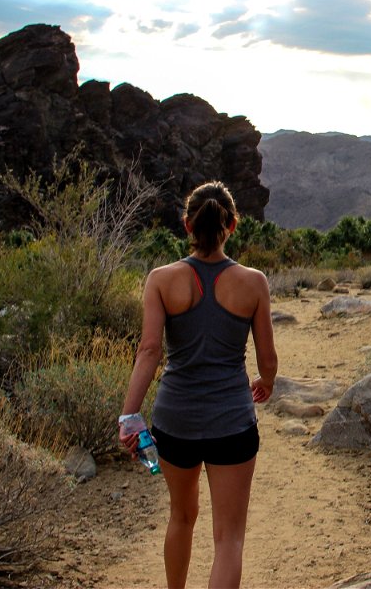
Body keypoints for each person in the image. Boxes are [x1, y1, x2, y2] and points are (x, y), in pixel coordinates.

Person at [120, 181, 278, 589]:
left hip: (175, 422)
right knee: (229, 538)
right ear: (233, 226)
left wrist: (128, 414)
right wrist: (267, 381)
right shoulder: (254, 282)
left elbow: (149, 351)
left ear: (187, 225)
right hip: (232, 423)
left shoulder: (160, 279)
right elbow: (268, 359)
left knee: (180, 517)